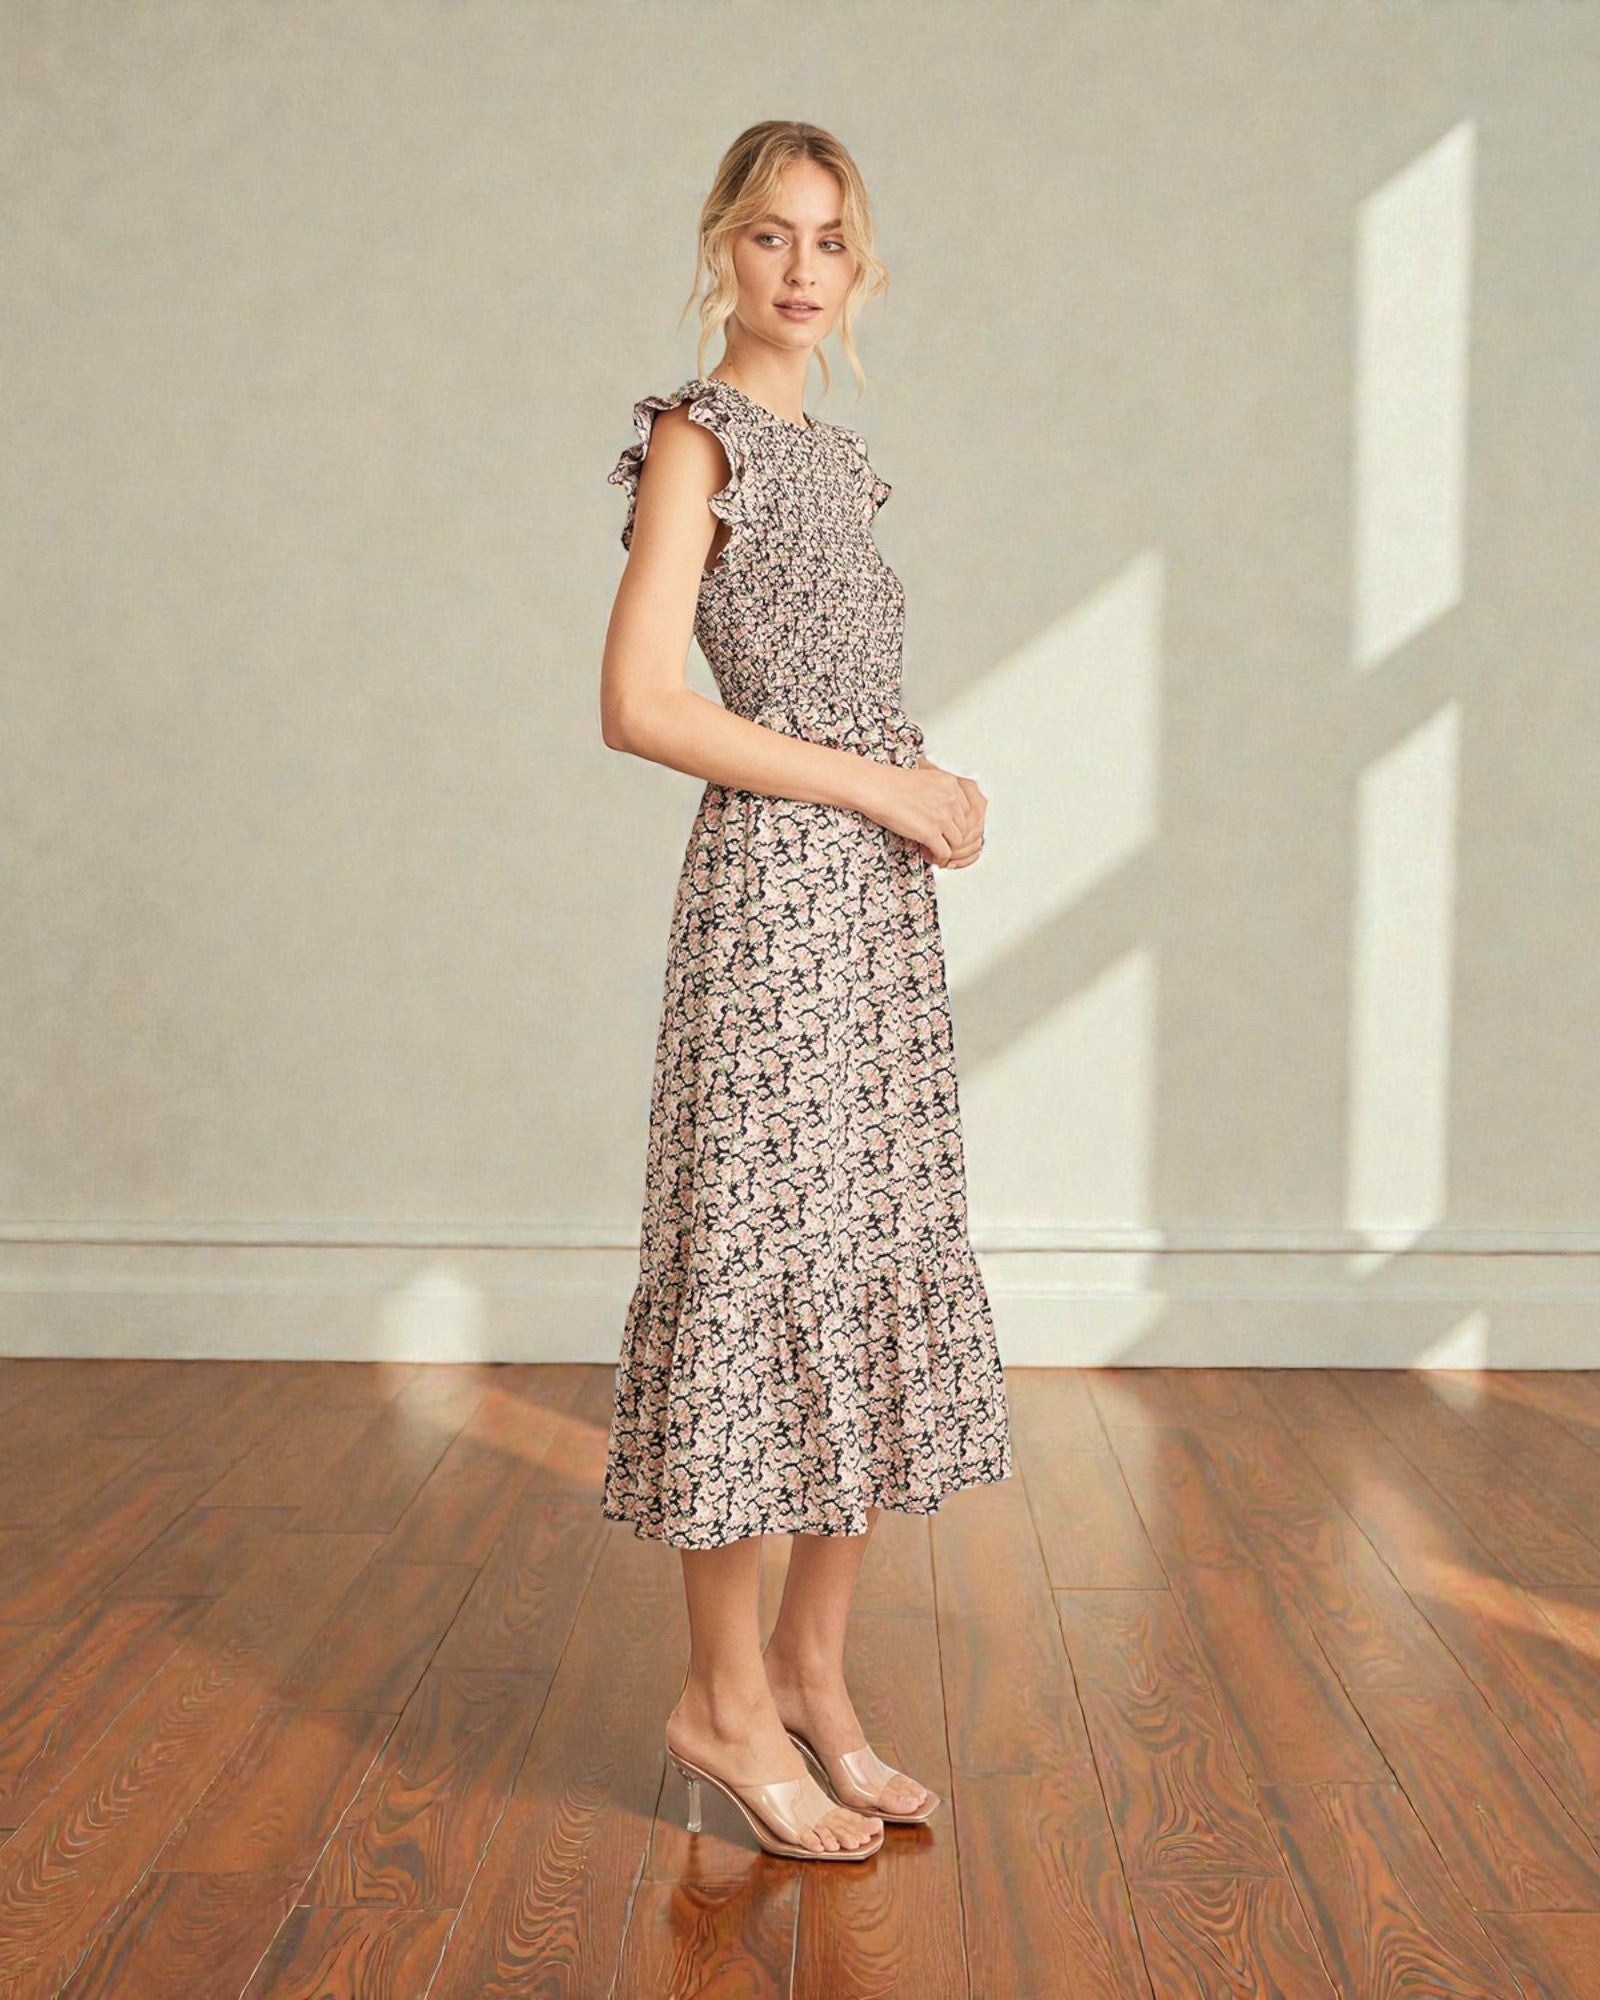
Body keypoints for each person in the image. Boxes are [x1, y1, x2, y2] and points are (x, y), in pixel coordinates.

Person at [598, 120, 1013, 1861]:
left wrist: (931, 792)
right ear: (723, 246)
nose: (800, 267)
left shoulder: (842, 462)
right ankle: (721, 1701)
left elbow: (847, 698)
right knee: (759, 1275)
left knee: (864, 1270)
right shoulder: (697, 439)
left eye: (829, 240)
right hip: (777, 905)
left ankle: (812, 1677)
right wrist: (880, 788)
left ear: (861, 268)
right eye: (771, 234)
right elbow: (641, 703)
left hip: (875, 918)